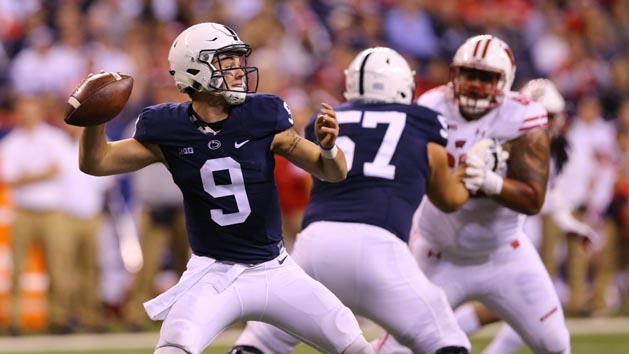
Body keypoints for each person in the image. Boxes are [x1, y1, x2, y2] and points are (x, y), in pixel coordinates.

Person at [74, 22, 374, 354]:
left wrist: (330, 148)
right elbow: (97, 163)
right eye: (226, 62)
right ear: (194, 69)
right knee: (174, 347)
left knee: (355, 346)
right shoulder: (166, 127)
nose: (238, 71)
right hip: (212, 272)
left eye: (238, 61)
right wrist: (94, 122)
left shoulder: (263, 114)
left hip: (275, 269)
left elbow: (332, 173)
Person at [231, 47, 490, 354]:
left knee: (260, 342)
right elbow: (448, 199)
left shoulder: (327, 118)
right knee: (447, 342)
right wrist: (472, 172)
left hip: (315, 245)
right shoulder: (422, 121)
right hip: (380, 248)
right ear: (402, 84)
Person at [374, 35, 571, 354]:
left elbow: (534, 198)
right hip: (438, 252)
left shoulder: (522, 115)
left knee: (555, 344)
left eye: (486, 77)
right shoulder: (431, 105)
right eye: (468, 74)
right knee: (396, 348)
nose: (475, 85)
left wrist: (491, 183)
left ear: (505, 81)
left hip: (505, 252)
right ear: (454, 74)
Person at [454, 78, 598, 354]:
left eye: (553, 116)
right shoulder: (500, 142)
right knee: (531, 307)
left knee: (533, 309)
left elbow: (546, 194)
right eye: (546, 116)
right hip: (481, 236)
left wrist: (568, 224)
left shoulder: (548, 146)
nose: (552, 123)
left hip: (510, 233)